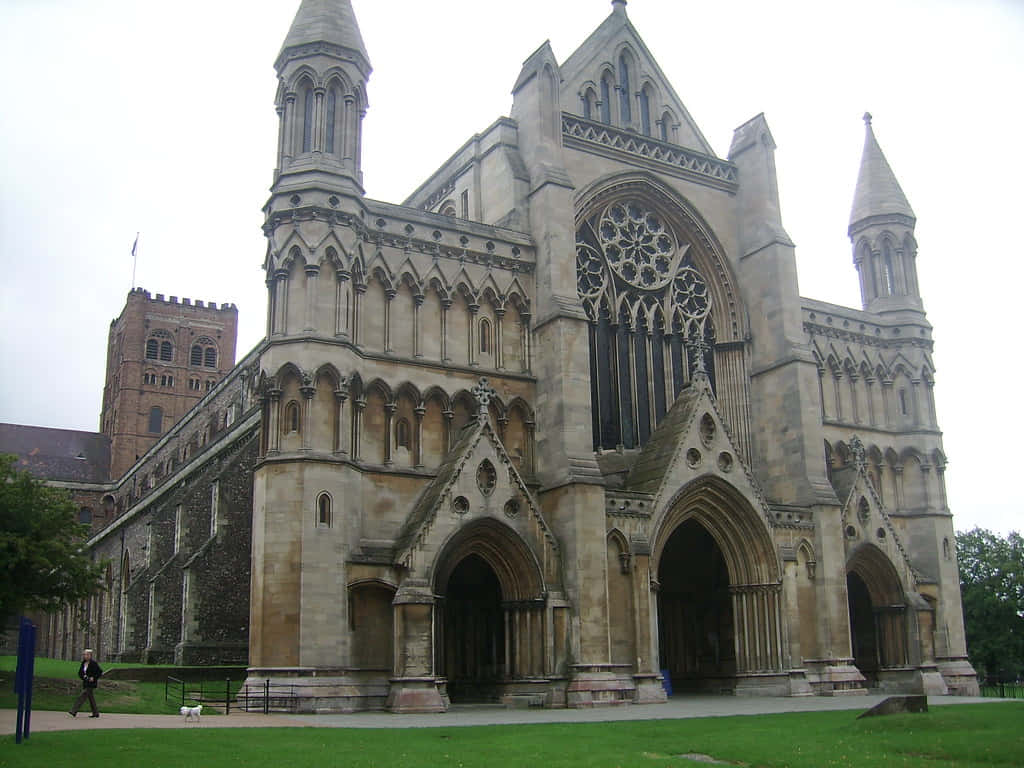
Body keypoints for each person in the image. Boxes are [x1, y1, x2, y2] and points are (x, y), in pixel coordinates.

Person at [68, 649, 103, 718]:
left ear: (90, 655)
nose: (85, 656)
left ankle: (74, 710)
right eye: (84, 654)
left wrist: (93, 678)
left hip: (91, 684)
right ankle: (95, 713)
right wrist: (84, 677)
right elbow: (80, 673)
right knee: (91, 698)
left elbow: (100, 672)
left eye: (86, 654)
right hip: (86, 682)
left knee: (82, 695)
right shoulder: (83, 663)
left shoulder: (93, 663)